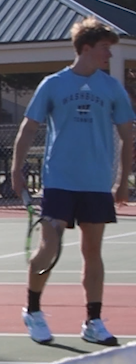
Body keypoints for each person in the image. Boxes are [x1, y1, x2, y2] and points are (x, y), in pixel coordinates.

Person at [11, 17, 134, 347]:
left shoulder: (111, 88)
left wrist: (123, 180)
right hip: (59, 181)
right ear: (86, 48)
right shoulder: (53, 84)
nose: (109, 54)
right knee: (49, 248)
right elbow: (29, 128)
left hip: (96, 184)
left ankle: (93, 321)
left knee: (92, 252)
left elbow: (127, 134)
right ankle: (33, 310)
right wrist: (16, 167)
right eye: (104, 48)